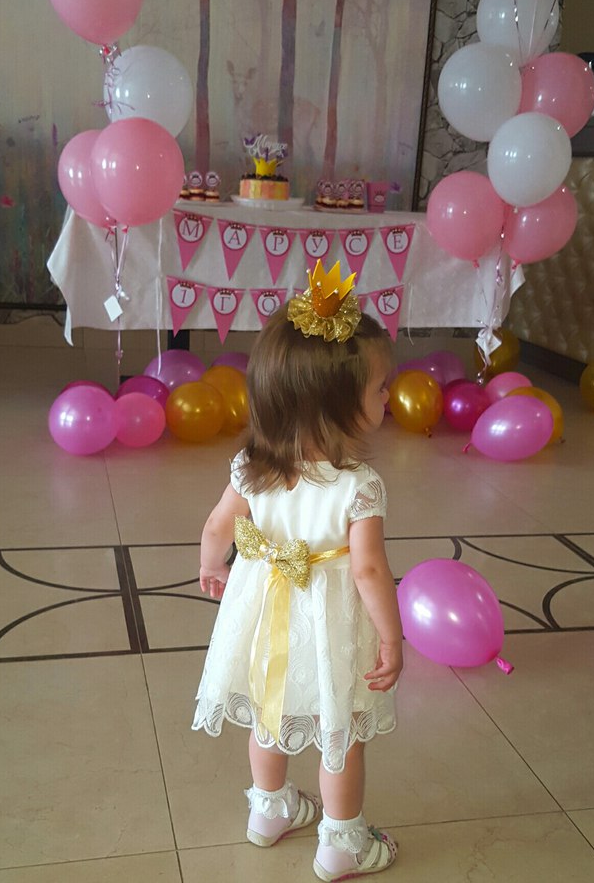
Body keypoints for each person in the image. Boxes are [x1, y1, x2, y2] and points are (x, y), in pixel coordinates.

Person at [192, 260, 403, 880]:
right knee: (341, 730)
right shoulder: (358, 486)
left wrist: (212, 567)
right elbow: (368, 572)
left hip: (264, 609)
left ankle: (269, 811)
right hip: (329, 621)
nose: (389, 397)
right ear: (336, 408)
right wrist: (391, 637)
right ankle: (341, 843)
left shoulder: (251, 465)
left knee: (270, 710)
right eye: (380, 389)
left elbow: (217, 527)